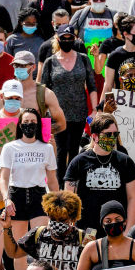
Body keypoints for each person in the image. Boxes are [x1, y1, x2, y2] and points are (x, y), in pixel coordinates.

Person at [0, 108, 59, 270]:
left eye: (33, 122)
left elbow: (53, 179)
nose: (29, 125)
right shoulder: (10, 147)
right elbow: (3, 177)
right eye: (26, 122)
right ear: (19, 124)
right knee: (20, 250)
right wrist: (6, 199)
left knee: (42, 245)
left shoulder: (46, 147)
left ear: (38, 125)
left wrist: (59, 203)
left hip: (38, 196)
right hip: (16, 195)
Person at [65, 113, 135, 232]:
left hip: (116, 229)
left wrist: (128, 231)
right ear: (95, 137)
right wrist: (73, 230)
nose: (112, 138)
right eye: (108, 134)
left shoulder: (125, 162)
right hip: (86, 230)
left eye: (115, 134)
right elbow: (69, 199)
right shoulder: (79, 162)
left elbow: (133, 198)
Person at [41, 24, 98, 178]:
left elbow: (92, 86)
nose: (67, 41)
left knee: (74, 149)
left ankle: (72, 182)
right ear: (57, 39)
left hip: (79, 112)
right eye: (63, 38)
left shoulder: (83, 59)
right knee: (60, 150)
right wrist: (43, 115)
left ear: (74, 39)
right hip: (57, 113)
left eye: (70, 38)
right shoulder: (50, 62)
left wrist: (94, 109)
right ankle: (60, 185)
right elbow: (43, 90)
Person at [17, 190, 87, 270]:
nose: (57, 223)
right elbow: (14, 252)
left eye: (62, 219)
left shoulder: (84, 237)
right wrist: (6, 228)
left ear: (72, 218)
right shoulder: (39, 233)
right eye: (53, 218)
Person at [73, 199, 135, 270]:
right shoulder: (91, 248)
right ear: (102, 224)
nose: (113, 223)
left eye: (117, 220)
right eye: (108, 221)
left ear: (125, 221)